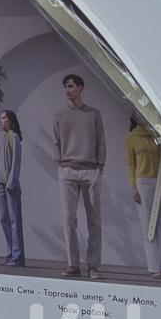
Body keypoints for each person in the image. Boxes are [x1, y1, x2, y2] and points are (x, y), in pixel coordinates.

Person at [53, 73, 106, 280]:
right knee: (69, 219)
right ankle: (73, 265)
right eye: (65, 86)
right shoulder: (59, 115)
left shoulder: (94, 114)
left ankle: (93, 266)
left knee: (94, 220)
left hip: (91, 170)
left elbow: (101, 140)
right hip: (67, 170)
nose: (68, 90)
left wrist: (100, 165)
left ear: (81, 88)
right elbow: (56, 141)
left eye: (71, 86)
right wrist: (58, 164)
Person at [126, 118, 161, 280]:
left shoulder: (157, 135)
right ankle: (155, 268)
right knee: (148, 226)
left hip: (160, 180)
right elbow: (130, 164)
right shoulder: (131, 137)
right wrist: (133, 187)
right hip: (143, 182)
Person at [0, 109, 24, 267]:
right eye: (1, 118)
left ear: (10, 120)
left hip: (10, 185)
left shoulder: (14, 137)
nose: (1, 121)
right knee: (4, 219)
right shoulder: (4, 139)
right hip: (0, 186)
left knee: (14, 220)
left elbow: (15, 162)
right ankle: (10, 253)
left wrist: (11, 182)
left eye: (4, 118)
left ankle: (17, 257)